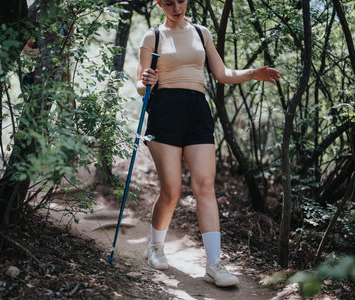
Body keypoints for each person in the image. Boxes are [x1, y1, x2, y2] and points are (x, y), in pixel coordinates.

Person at [136, 0, 280, 287]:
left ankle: (214, 263)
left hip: (197, 111)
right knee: (172, 190)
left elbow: (222, 74)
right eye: (168, 2)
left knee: (204, 185)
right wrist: (146, 79)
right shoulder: (152, 35)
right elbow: (140, 84)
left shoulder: (201, 33)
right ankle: (155, 246)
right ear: (158, 3)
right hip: (165, 111)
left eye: (180, 0)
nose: (176, 7)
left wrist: (252, 73)